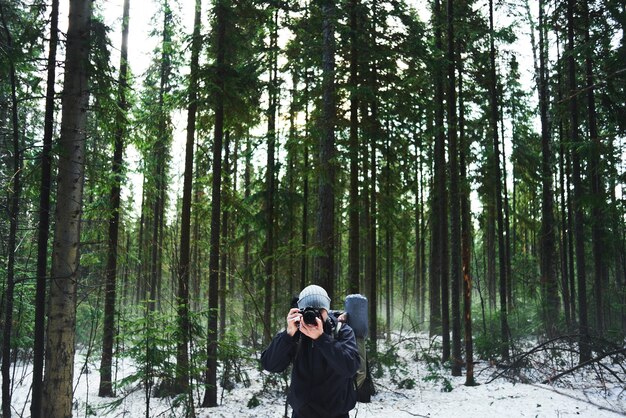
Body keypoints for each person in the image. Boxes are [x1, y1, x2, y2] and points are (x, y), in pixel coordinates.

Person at [261, 285, 361, 418]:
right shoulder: (296, 334)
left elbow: (350, 367)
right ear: (300, 311)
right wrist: (288, 334)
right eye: (309, 311)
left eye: (320, 310)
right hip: (302, 414)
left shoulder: (341, 331)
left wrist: (321, 339)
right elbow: (270, 365)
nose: (315, 316)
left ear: (327, 310)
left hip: (336, 414)